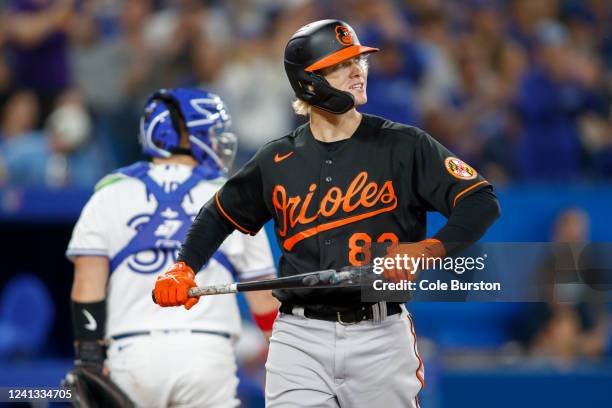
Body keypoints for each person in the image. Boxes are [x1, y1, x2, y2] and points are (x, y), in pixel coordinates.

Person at [153, 20, 500, 407]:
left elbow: (480, 200)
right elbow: (217, 214)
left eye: (358, 61)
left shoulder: (405, 145)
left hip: (381, 334)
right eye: (341, 64)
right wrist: (183, 267)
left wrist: (430, 247)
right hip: (299, 337)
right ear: (309, 81)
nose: (357, 70)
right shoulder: (276, 159)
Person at [67, 88, 279, 407]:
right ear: (182, 135)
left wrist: (89, 359)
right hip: (205, 354)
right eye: (208, 131)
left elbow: (86, 284)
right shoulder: (228, 193)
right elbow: (262, 295)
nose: (218, 139)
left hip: (131, 356)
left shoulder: (109, 193)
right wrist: (285, 359)